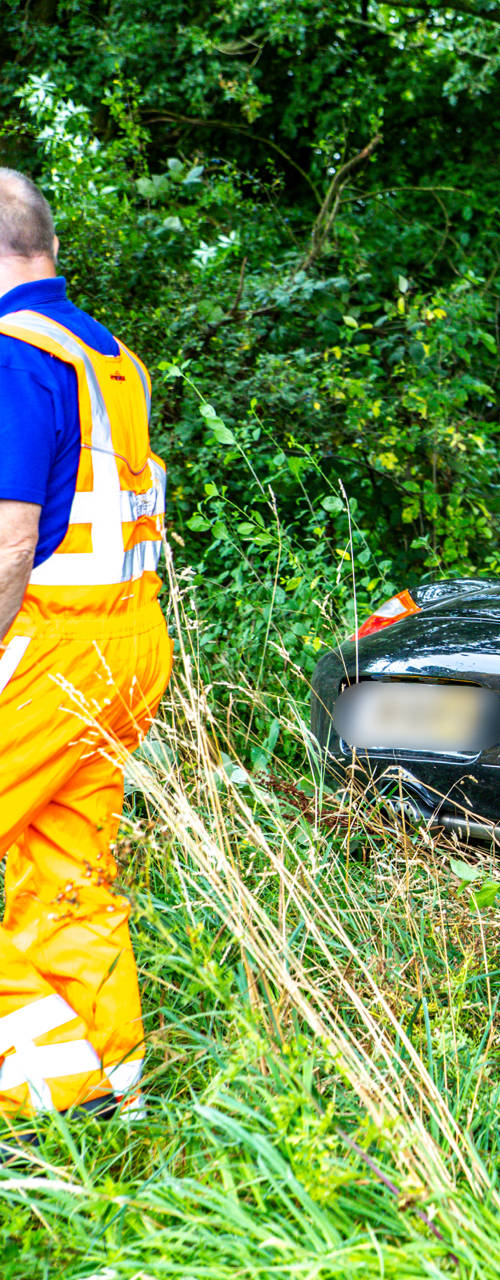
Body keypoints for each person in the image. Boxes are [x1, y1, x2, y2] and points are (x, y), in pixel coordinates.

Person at [0, 167, 170, 1128]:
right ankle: (99, 1088)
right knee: (66, 873)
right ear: (49, 247)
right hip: (129, 643)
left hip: (53, 646)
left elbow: (13, 539)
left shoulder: (14, 357)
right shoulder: (109, 356)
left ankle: (52, 1074)